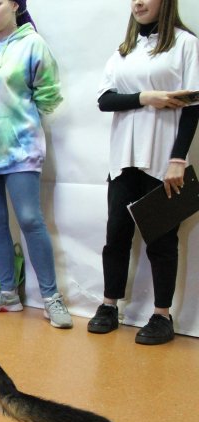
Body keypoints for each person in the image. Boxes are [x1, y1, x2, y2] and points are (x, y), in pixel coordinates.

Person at [88, 0, 198, 345]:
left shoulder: (185, 43)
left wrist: (178, 159)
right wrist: (147, 97)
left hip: (162, 160)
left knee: (162, 241)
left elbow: (194, 105)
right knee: (116, 235)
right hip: (122, 160)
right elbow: (105, 100)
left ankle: (162, 316)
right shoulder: (126, 50)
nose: (137, 2)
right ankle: (109, 306)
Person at [0, 0, 72, 328]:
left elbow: (49, 96)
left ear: (14, 4)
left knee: (29, 219)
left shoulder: (33, 43)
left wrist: (16, 118)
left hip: (21, 150)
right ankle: (8, 293)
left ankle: (52, 298)